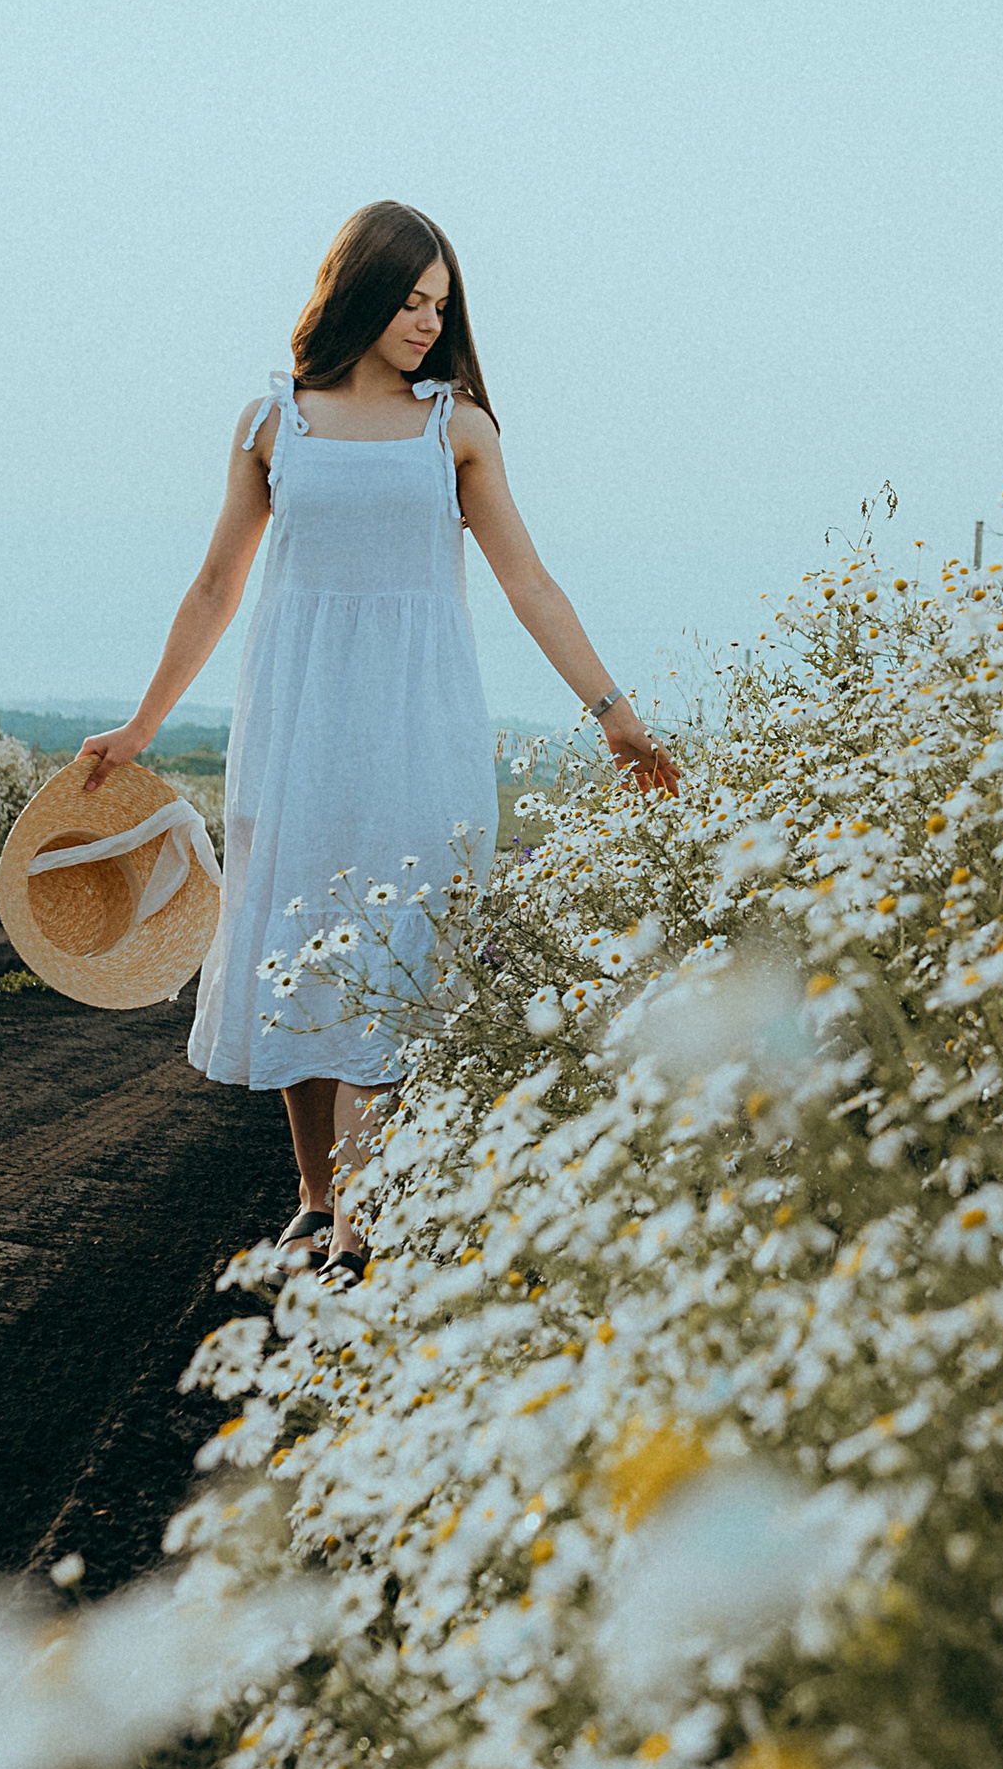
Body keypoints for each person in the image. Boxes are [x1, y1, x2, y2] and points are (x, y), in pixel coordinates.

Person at [76, 198, 676, 1273]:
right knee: (298, 949)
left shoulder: (458, 428)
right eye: (408, 300)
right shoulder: (273, 424)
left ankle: (361, 1217)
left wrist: (615, 718)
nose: (426, 323)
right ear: (356, 294)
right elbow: (216, 584)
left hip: (420, 726)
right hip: (296, 725)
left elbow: (527, 581)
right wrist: (143, 723)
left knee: (395, 959)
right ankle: (317, 1199)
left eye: (440, 305)